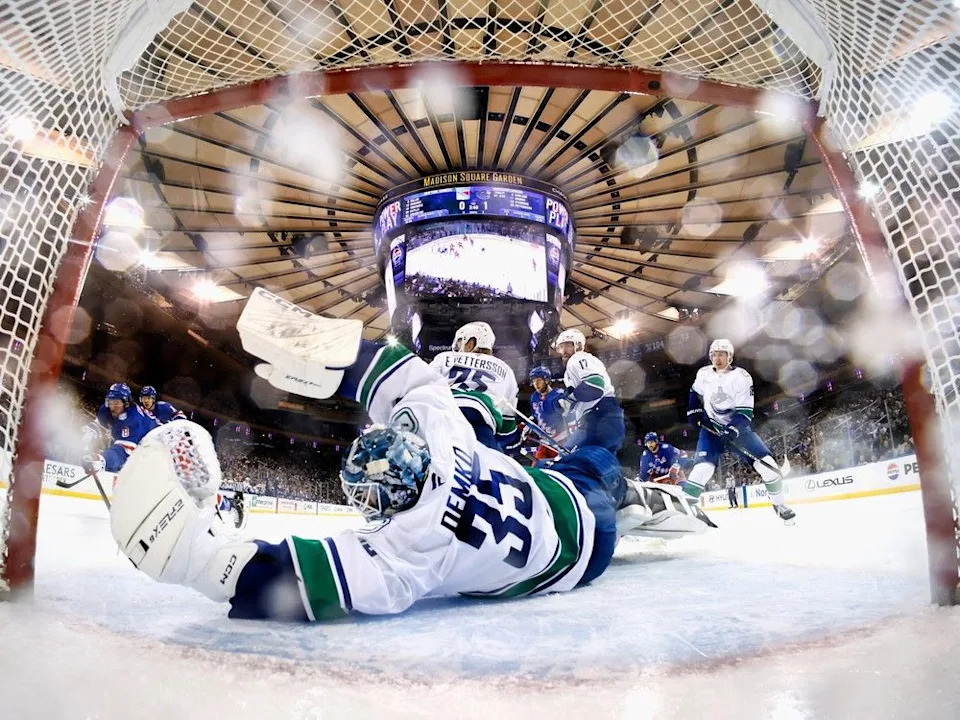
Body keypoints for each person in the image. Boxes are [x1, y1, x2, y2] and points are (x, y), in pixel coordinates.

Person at [109, 338, 637, 622]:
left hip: (576, 561)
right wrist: (332, 352)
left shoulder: (410, 550)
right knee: (595, 453)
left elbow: (289, 580)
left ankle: (621, 489)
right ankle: (609, 412)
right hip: (560, 497)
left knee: (586, 465)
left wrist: (192, 559)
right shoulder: (442, 428)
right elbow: (396, 371)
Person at [684, 339, 796, 524]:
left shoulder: (741, 378)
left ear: (730, 357)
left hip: (738, 431)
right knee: (702, 469)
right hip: (711, 429)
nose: (717, 358)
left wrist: (732, 430)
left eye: (722, 354)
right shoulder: (703, 374)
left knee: (769, 468)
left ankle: (779, 504)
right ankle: (685, 509)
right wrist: (693, 411)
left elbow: (745, 413)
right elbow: (694, 391)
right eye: (714, 354)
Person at [429, 321, 519, 451]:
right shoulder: (505, 369)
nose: (458, 348)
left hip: (447, 412)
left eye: (460, 342)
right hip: (482, 417)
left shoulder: (444, 357)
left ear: (471, 343)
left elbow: (424, 385)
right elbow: (507, 420)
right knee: (487, 466)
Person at [554, 328, 625, 454]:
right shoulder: (577, 365)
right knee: (600, 467)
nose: (564, 351)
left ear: (578, 345)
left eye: (568, 346)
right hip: (607, 419)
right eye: (561, 347)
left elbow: (595, 385)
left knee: (569, 457)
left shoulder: (577, 358)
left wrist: (570, 398)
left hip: (599, 418)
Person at [81, 382, 158, 473]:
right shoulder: (107, 409)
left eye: (116, 403)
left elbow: (123, 451)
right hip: (135, 445)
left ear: (126, 403)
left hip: (154, 445)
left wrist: (103, 460)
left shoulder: (134, 419)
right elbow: (100, 425)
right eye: (110, 402)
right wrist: (91, 430)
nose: (112, 407)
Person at [527, 366, 566, 461]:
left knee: (561, 470)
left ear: (547, 380)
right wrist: (528, 426)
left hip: (560, 443)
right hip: (544, 442)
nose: (536, 384)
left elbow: (570, 419)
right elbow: (535, 416)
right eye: (533, 381)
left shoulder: (559, 395)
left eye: (539, 380)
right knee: (537, 471)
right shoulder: (534, 397)